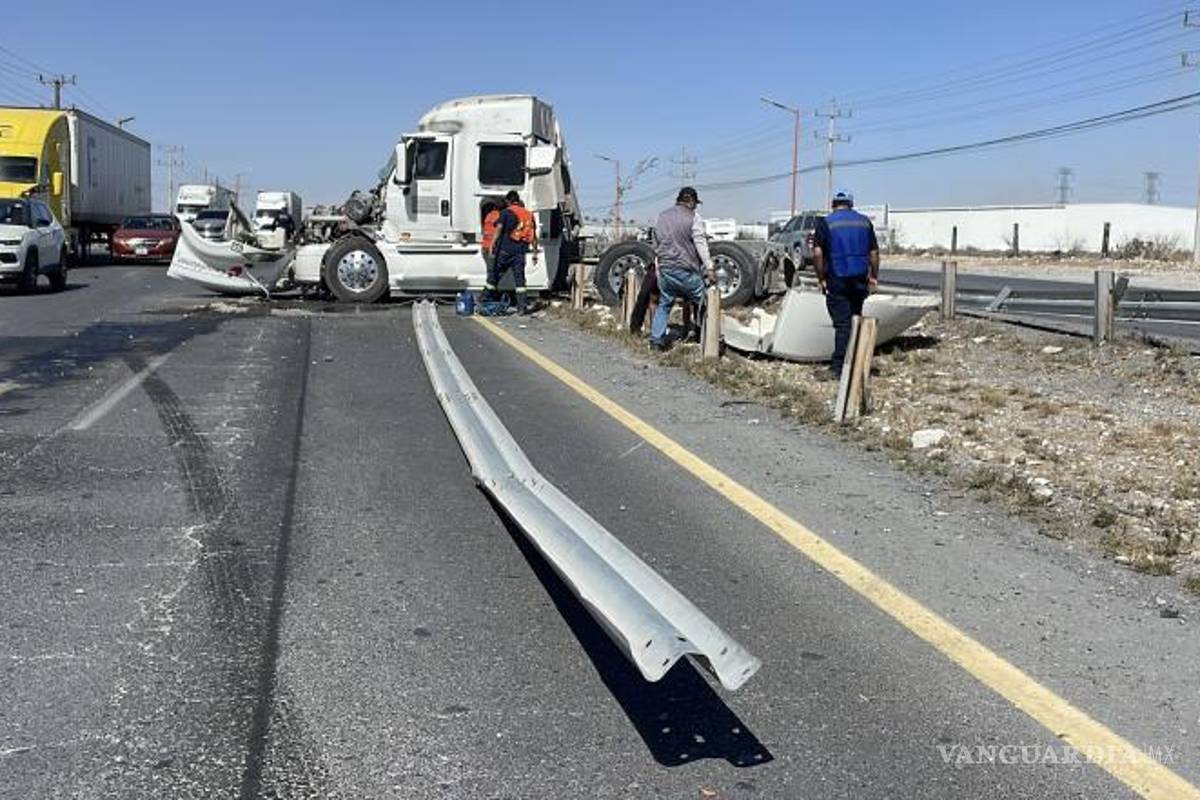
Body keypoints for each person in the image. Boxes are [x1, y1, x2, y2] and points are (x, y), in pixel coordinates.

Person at [811, 190, 880, 377]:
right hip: (859, 279)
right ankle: (857, 362)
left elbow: (817, 253)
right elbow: (873, 253)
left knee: (842, 324)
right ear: (851, 204)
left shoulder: (826, 223)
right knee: (856, 319)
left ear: (834, 204)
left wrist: (821, 279)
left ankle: (838, 368)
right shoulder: (865, 222)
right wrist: (873, 277)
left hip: (837, 278)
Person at [649, 187, 714, 349]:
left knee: (665, 304)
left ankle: (656, 340)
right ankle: (706, 335)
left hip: (665, 270)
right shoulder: (694, 218)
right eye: (695, 204)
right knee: (703, 302)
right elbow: (700, 243)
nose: (696, 207)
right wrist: (710, 267)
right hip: (686, 270)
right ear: (691, 201)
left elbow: (655, 243)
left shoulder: (661, 216)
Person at [487, 190, 538, 313]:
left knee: (494, 277)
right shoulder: (528, 215)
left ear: (508, 201)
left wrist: (492, 245)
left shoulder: (505, 213)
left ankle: (485, 300)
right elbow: (533, 236)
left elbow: (498, 229)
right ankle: (521, 308)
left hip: (505, 251)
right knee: (520, 281)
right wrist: (535, 253)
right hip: (520, 253)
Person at [479, 200, 501, 273]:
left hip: (485, 245)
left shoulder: (488, 216)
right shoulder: (499, 216)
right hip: (493, 246)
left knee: (490, 269)